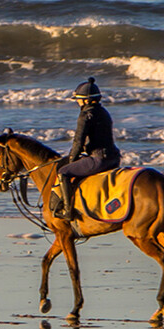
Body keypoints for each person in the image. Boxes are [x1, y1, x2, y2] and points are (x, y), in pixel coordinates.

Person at [54, 77, 120, 221]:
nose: (77, 102)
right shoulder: (103, 111)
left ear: (86, 100)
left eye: (78, 99)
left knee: (63, 171)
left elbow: (78, 141)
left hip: (99, 159)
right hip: (114, 158)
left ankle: (67, 210)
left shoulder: (85, 115)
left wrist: (71, 160)